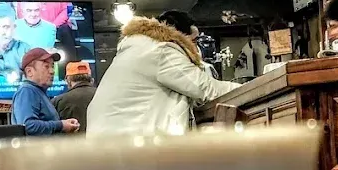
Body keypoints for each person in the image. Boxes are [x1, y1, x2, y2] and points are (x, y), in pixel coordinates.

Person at [88, 10, 241, 135]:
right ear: (181, 37)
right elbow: (206, 88)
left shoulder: (139, 47)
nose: (196, 48)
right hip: (129, 142)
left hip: (111, 139)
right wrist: (253, 87)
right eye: (193, 41)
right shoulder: (160, 51)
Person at [13, 48, 80, 135]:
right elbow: (27, 126)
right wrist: (61, 125)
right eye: (46, 66)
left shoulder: (39, 92)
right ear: (29, 72)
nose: (52, 71)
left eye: (52, 66)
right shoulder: (27, 91)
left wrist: (64, 125)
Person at [53, 60, 96, 133]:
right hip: (101, 142)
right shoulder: (102, 95)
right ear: (91, 79)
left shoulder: (58, 101)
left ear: (68, 80)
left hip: (71, 143)